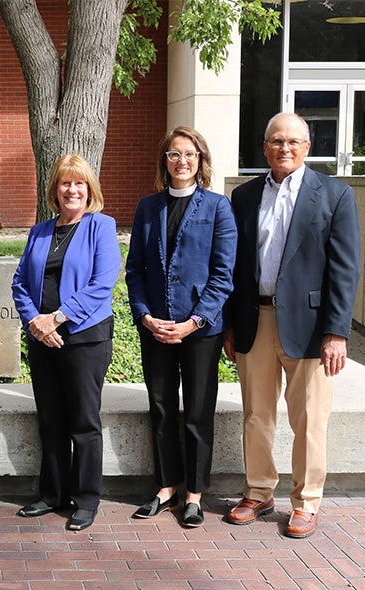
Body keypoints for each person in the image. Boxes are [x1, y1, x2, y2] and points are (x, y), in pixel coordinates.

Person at [223, 113, 361, 539]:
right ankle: (259, 491)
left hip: (312, 326)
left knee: (309, 417)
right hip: (255, 320)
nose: (285, 148)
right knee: (256, 414)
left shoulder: (335, 195)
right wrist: (230, 324)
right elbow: (235, 266)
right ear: (264, 147)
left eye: (294, 141)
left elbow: (344, 269)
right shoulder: (243, 196)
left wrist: (336, 332)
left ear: (308, 146)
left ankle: (306, 502)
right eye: (276, 141)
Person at [125, 126, 237, 528]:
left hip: (200, 331)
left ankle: (194, 494)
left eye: (189, 154)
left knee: (197, 413)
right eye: (174, 154)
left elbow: (223, 275)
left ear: (201, 161)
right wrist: (143, 315)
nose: (182, 161)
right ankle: (166, 486)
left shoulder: (218, 208)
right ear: (165, 161)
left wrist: (194, 322)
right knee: (161, 408)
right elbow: (134, 269)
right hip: (155, 328)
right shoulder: (147, 207)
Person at [11, 154, 121, 531]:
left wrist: (55, 318)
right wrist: (35, 322)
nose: (72, 190)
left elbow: (101, 285)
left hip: (84, 338)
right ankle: (52, 494)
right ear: (54, 190)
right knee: (51, 420)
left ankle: (87, 499)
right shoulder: (40, 231)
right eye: (64, 183)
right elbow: (20, 283)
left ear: (89, 189)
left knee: (83, 422)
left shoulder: (101, 227)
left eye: (79, 183)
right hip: (43, 339)